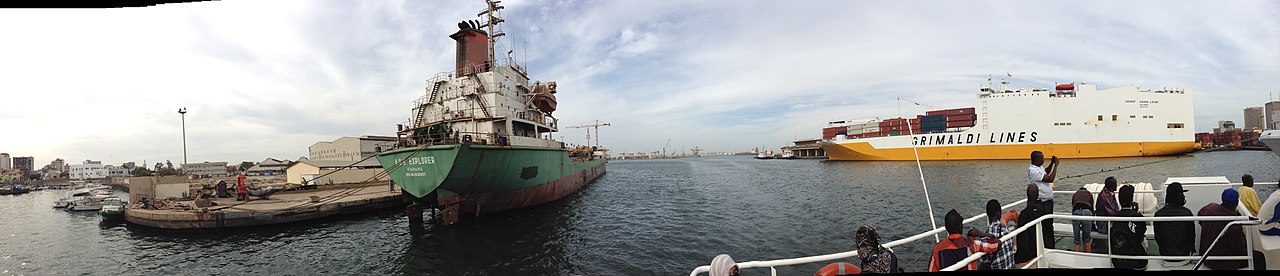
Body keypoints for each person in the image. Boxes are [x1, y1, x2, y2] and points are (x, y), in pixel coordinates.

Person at [928, 209, 997, 272]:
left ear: (946, 228)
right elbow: (995, 243)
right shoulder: (971, 244)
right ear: (960, 227)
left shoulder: (937, 249)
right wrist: (979, 233)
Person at [1198, 188, 1248, 270]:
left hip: (1204, 256)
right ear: (1236, 203)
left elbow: (1200, 216)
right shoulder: (1233, 224)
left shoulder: (1209, 208)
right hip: (1220, 263)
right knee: (1259, 257)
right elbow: (1240, 248)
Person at [1153, 182, 1196, 266]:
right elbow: (1192, 238)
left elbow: (1157, 237)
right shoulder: (1187, 213)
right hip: (1184, 259)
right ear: (1180, 196)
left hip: (1165, 259)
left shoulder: (1158, 214)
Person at [1110, 185, 1148, 270]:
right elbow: (1140, 235)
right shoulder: (1138, 217)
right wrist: (1135, 212)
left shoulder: (1112, 218)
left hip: (1117, 262)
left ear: (1119, 200)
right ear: (1131, 200)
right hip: (1138, 263)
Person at [1028, 151, 1059, 249]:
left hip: (1047, 201)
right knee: (1047, 227)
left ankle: (1049, 246)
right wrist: (1056, 166)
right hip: (1042, 202)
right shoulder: (1033, 170)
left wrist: (1052, 163)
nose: (1043, 159)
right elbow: (1050, 178)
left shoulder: (1038, 168)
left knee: (1049, 225)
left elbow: (1045, 172)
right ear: (1037, 159)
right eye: (1042, 158)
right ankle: (1048, 247)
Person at [980, 199, 1016, 270]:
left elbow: (983, 263)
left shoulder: (986, 235)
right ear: (999, 214)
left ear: (987, 214)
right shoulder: (1006, 229)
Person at [1015, 184, 1043, 265]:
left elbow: (1022, 240)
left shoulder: (1023, 215)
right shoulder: (1041, 210)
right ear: (1037, 195)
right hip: (1038, 250)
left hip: (1027, 255)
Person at [1070, 185, 1094, 253]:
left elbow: (1073, 205)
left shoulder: (1075, 194)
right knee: (1087, 239)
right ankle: (1088, 257)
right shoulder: (1089, 193)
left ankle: (1077, 258)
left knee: (1077, 240)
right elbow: (1091, 206)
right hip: (1087, 212)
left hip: (1076, 212)